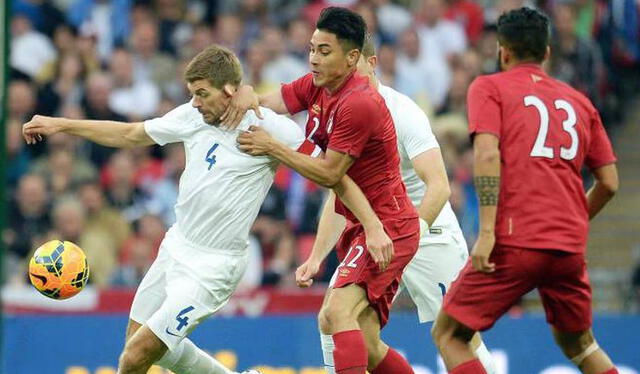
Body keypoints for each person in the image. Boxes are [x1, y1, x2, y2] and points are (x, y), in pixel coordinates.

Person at [22, 44, 392, 374]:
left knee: (134, 359)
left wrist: (372, 224)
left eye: (202, 94)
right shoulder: (192, 116)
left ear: (230, 90)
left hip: (214, 266)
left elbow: (333, 175)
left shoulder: (272, 130)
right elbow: (131, 134)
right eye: (192, 94)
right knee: (141, 345)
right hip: (175, 246)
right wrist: (61, 125)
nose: (195, 102)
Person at [226, 7, 421, 374]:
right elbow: (276, 102)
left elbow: (331, 174)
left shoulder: (358, 103)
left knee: (335, 313)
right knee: (367, 343)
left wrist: (273, 147)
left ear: (351, 58)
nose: (314, 58)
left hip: (387, 224)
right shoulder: (319, 84)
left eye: (324, 51)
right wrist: (246, 95)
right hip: (362, 223)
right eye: (312, 48)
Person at [430, 8, 620, 374]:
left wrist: (486, 233)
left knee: (450, 333)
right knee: (580, 343)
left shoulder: (489, 87)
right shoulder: (580, 102)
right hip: (568, 246)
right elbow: (609, 182)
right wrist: (575, 219)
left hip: (516, 239)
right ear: (547, 51)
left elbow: (486, 153)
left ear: (502, 51)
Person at [294, 34, 497, 373]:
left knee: (460, 335)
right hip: (374, 235)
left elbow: (440, 186)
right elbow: (340, 189)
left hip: (428, 231)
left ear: (370, 64)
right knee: (336, 321)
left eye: (350, 64)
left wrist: (409, 235)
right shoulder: (340, 114)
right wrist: (317, 256)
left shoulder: (403, 112)